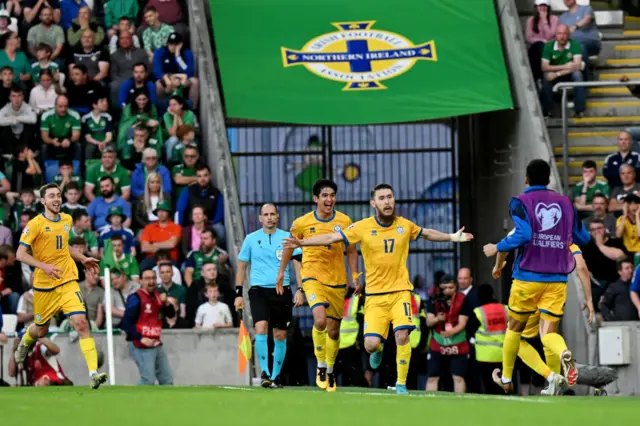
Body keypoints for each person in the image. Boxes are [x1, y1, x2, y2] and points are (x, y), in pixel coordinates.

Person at [283, 183, 473, 395]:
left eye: (390, 197)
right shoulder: (362, 227)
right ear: (373, 203)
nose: (387, 201)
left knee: (402, 335)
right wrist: (302, 242)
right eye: (382, 198)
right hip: (374, 297)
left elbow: (426, 233)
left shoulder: (404, 225)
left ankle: (401, 384)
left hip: (400, 292)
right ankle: (378, 348)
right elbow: (331, 237)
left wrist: (452, 237)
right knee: (371, 344)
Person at [482, 158, 591, 393]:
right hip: (557, 281)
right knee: (548, 334)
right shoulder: (566, 203)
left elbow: (523, 233)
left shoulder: (520, 202)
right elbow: (583, 238)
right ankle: (562, 361)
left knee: (514, 329)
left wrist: (497, 248)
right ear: (549, 178)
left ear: (526, 179)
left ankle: (507, 378)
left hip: (527, 279)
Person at [13, 182, 107, 389]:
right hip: (45, 286)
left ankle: (93, 373)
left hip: (67, 280)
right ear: (43, 201)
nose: (56, 199)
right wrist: (43, 266)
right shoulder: (35, 224)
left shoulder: (66, 219)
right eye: (52, 196)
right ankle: (26, 340)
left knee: (82, 323)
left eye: (59, 195)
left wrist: (83, 258)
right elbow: (20, 254)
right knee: (41, 331)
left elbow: (63, 247)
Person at [276, 179, 357, 392]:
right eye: (325, 196)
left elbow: (351, 250)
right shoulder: (301, 223)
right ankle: (321, 365)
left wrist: (354, 275)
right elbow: (290, 248)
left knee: (333, 332)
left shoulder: (344, 220)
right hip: (312, 277)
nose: (329, 199)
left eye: (332, 195)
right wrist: (282, 272)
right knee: (319, 320)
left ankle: (330, 368)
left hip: (338, 281)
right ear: (315, 199)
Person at [492, 228, 593, 395]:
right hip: (555, 287)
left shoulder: (524, 224)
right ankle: (561, 363)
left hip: (527, 285)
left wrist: (498, 266)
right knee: (548, 335)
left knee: (517, 337)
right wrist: (588, 298)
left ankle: (540, 376)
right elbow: (581, 266)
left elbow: (504, 246)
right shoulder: (564, 230)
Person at [234, 203, 302, 388]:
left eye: (273, 214)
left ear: (278, 217)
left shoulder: (287, 237)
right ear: (260, 218)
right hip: (259, 291)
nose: (269, 217)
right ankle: (264, 373)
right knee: (261, 328)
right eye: (266, 214)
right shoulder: (251, 239)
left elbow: (298, 264)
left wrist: (301, 290)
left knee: (280, 335)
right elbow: (242, 266)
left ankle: (276, 376)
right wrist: (238, 293)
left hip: (282, 290)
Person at [120, 268, 174, 385]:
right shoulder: (136, 298)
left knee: (167, 380)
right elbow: (125, 322)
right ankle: (131, 402)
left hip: (155, 342)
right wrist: (141, 338)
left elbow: (171, 314)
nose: (151, 282)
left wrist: (166, 303)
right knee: (147, 380)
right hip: (140, 343)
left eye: (153, 278)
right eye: (147, 279)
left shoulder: (158, 297)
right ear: (140, 281)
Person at [425, 274, 473, 393]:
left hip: (458, 344)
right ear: (439, 287)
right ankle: (429, 404)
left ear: (455, 287)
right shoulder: (434, 299)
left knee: (458, 377)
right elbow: (428, 321)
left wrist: (450, 332)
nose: (447, 290)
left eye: (451, 287)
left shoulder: (463, 299)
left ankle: (459, 405)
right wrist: (437, 319)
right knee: (432, 377)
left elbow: (463, 323)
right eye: (444, 288)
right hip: (438, 344)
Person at [468, 284, 507, 395]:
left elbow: (470, 330)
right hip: (502, 354)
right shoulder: (504, 309)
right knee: (501, 384)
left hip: (484, 355)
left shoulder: (478, 311)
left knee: (488, 386)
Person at [540, 24, 585, 118]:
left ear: (568, 35)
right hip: (558, 73)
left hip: (568, 74)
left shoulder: (575, 44)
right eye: (559, 33)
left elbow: (576, 66)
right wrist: (565, 66)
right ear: (555, 35)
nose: (562, 36)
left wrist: (557, 73)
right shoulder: (548, 46)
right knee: (546, 76)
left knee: (578, 75)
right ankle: (547, 111)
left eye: (565, 34)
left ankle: (579, 110)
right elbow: (544, 67)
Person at [526, 0, 558, 84]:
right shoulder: (531, 20)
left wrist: (544, 20)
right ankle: (537, 78)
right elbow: (529, 38)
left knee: (544, 47)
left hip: (550, 48)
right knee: (540, 46)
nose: (543, 8)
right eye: (540, 6)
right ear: (536, 7)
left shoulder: (554, 19)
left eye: (545, 6)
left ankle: (541, 77)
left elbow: (550, 36)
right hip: (536, 48)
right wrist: (541, 41)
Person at [79, 265, 104, 329]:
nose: (96, 277)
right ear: (86, 274)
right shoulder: (77, 287)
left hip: (92, 325)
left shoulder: (101, 292)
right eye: (94, 274)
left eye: (98, 274)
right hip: (75, 323)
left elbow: (99, 315)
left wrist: (94, 328)